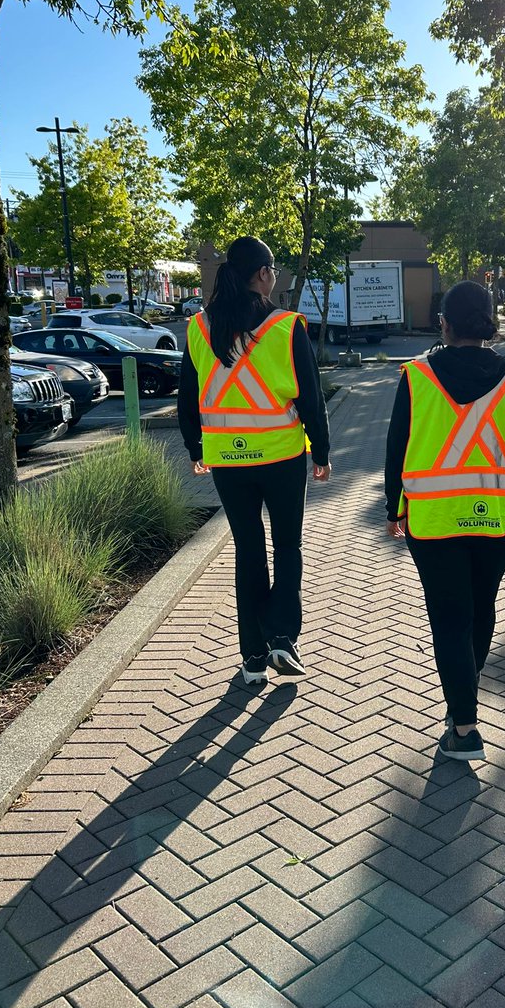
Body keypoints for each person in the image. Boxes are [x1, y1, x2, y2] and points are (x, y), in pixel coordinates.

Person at [385, 281, 505, 761]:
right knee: (481, 610)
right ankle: (464, 697)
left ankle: (464, 724)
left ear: (444, 324)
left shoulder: (416, 377)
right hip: (498, 519)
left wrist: (394, 508)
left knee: (449, 619)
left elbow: (397, 449)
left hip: (434, 521)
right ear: (490, 324)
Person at [178, 236, 331, 686]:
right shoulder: (286, 327)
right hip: (281, 456)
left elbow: (189, 396)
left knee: (248, 550)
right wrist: (320, 452)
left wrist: (195, 448)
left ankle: (252, 660)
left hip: (227, 458)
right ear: (263, 274)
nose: (276, 277)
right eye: (274, 271)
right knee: (286, 546)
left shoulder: (199, 327)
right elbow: (311, 396)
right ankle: (283, 637)